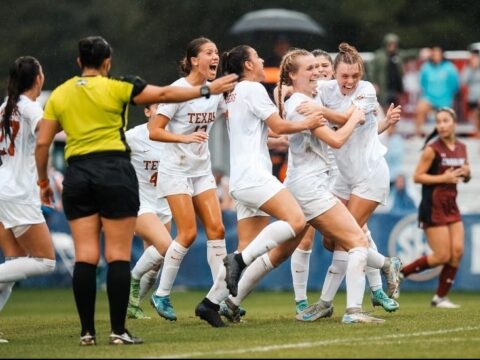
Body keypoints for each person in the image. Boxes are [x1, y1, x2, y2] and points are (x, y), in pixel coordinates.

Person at [34, 35, 237, 346]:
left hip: (78, 175)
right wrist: (208, 88)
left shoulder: (61, 94)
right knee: (118, 255)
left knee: (86, 256)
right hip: (113, 174)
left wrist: (44, 181)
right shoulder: (118, 86)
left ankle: (87, 332)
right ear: (107, 63)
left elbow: (43, 141)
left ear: (78, 62)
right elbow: (167, 94)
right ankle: (118, 330)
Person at [194, 44, 325, 327]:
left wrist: (277, 139)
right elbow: (279, 125)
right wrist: (309, 122)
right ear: (249, 65)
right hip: (254, 177)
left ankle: (209, 303)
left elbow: (256, 134)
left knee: (249, 244)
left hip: (241, 179)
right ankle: (238, 260)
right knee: (297, 221)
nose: (263, 59)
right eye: (258, 56)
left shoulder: (235, 93)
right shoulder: (252, 89)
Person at [295, 43, 403, 319]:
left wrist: (316, 112)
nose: (350, 81)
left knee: (348, 241)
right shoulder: (325, 90)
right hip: (342, 178)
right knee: (330, 242)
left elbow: (345, 118)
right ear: (334, 73)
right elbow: (299, 101)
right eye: (345, 76)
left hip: (370, 174)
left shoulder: (367, 90)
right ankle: (387, 264)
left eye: (354, 75)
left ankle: (334, 304)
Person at [147, 37, 232, 322]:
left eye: (217, 53)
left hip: (200, 169)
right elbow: (155, 131)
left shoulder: (215, 92)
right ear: (194, 60)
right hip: (175, 170)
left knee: (217, 229)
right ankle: (161, 293)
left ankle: (220, 297)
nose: (215, 57)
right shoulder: (177, 90)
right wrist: (184, 137)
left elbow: (231, 117)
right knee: (187, 233)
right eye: (209, 52)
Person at [0, 56, 56, 344]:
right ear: (38, 78)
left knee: (14, 264)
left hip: (3, 188)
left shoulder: (4, 108)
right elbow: (47, 136)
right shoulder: (32, 108)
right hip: (19, 193)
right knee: (45, 262)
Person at [399, 107, 470, 308]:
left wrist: (466, 173)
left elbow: (465, 176)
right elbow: (417, 176)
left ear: (454, 123)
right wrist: (443, 178)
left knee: (457, 251)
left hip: (451, 205)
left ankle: (440, 298)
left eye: (445, 121)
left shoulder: (462, 147)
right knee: (442, 256)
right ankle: (400, 273)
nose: (441, 125)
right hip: (433, 206)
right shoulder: (432, 148)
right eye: (438, 122)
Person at [125, 103, 173, 320]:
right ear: (147, 111)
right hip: (140, 205)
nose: (163, 111)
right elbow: (111, 155)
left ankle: (131, 306)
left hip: (164, 206)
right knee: (166, 246)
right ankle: (133, 277)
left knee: (155, 265)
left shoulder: (173, 136)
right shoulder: (134, 136)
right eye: (157, 107)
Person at [415, 46, 460, 137]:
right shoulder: (426, 67)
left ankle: (449, 136)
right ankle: (417, 134)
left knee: (447, 118)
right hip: (429, 98)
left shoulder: (449, 68)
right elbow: (422, 83)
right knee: (420, 109)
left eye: (438, 54)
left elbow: (455, 84)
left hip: (445, 99)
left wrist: (448, 95)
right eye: (434, 54)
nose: (436, 56)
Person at [460, 48, 480, 137]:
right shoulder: (467, 68)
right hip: (473, 97)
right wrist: (472, 69)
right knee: (474, 114)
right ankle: (477, 131)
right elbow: (463, 81)